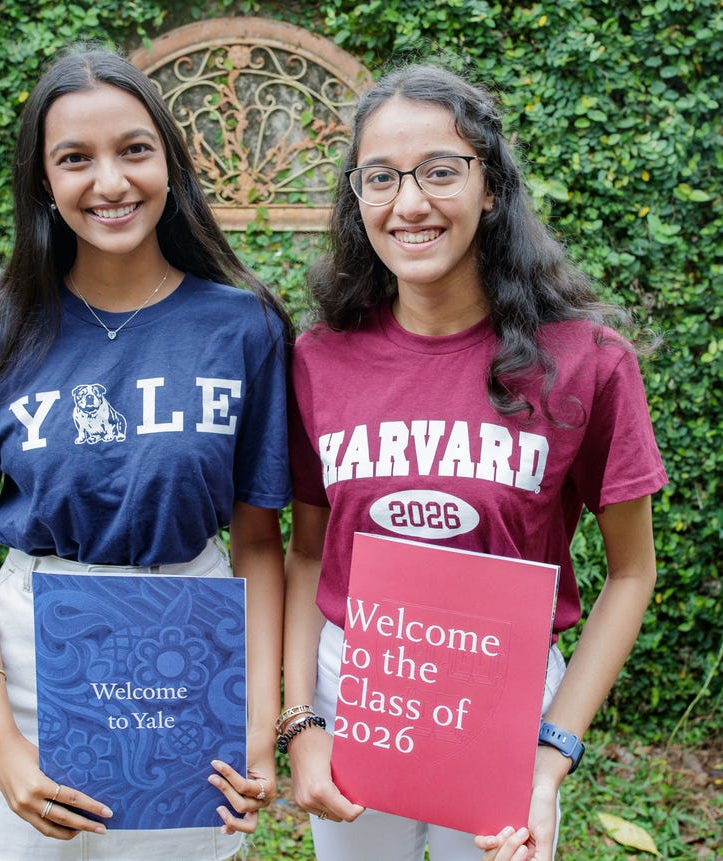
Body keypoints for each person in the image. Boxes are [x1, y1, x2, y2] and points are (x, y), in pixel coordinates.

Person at [281, 63, 666, 861]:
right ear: (358, 197)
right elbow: (308, 549)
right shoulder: (318, 359)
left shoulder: (588, 360)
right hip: (357, 692)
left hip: (508, 703)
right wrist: (303, 723)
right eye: (380, 177)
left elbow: (632, 573)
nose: (410, 202)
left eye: (440, 171)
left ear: (491, 187)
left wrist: (550, 756)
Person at [0, 44, 291, 861]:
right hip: (33, 663)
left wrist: (257, 719)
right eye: (75, 158)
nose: (111, 182)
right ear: (44, 183)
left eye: (133, 149)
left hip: (189, 653)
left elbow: (260, 541)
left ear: (170, 160)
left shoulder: (244, 327)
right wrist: (1, 737)